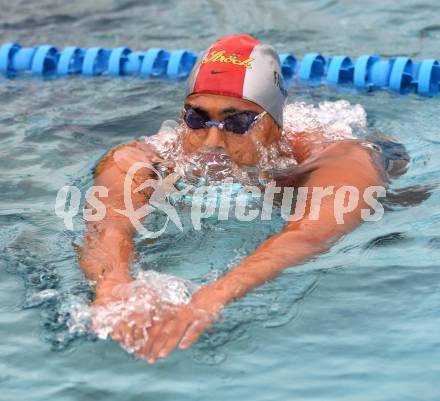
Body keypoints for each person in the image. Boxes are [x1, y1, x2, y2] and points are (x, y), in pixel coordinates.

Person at [78, 34, 406, 363]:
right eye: (197, 118)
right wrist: (113, 284)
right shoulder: (140, 158)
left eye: (236, 123)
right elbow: (111, 226)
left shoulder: (341, 159)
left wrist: (214, 295)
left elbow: (311, 233)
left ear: (275, 127)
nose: (212, 140)